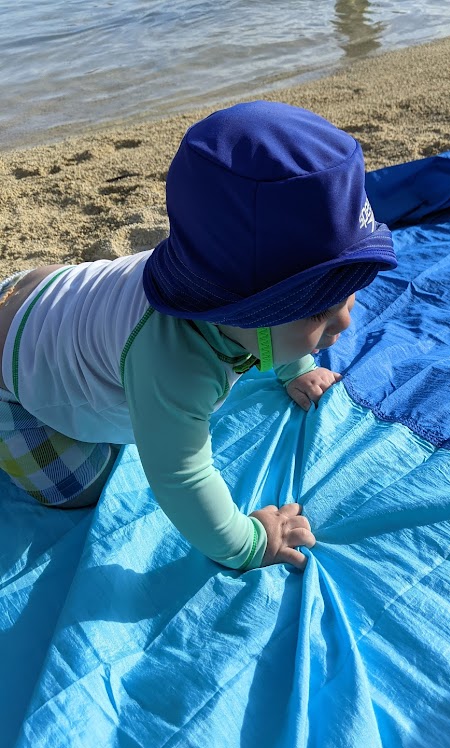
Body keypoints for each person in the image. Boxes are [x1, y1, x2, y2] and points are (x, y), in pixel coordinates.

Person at [0, 101, 397, 571]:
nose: (345, 323)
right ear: (248, 313)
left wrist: (297, 363)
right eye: (320, 313)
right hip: (12, 383)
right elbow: (180, 477)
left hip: (42, 291)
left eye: (348, 297)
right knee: (81, 485)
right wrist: (248, 544)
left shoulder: (208, 269)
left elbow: (275, 328)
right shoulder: (175, 365)